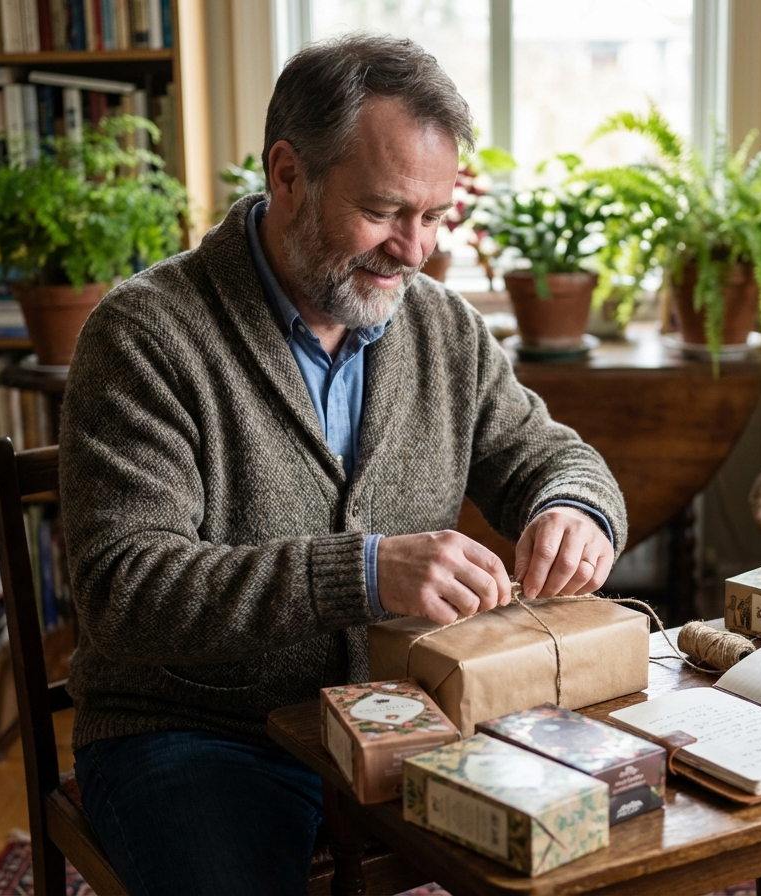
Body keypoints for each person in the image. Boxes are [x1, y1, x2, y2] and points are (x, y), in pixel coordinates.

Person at [60, 34, 627, 895]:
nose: (416, 249)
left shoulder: (443, 326)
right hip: (196, 731)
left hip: (411, 711)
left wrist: (574, 508)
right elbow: (123, 590)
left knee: (613, 841)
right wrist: (363, 572)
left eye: (437, 216)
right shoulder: (144, 336)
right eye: (386, 210)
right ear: (287, 173)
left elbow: (550, 456)